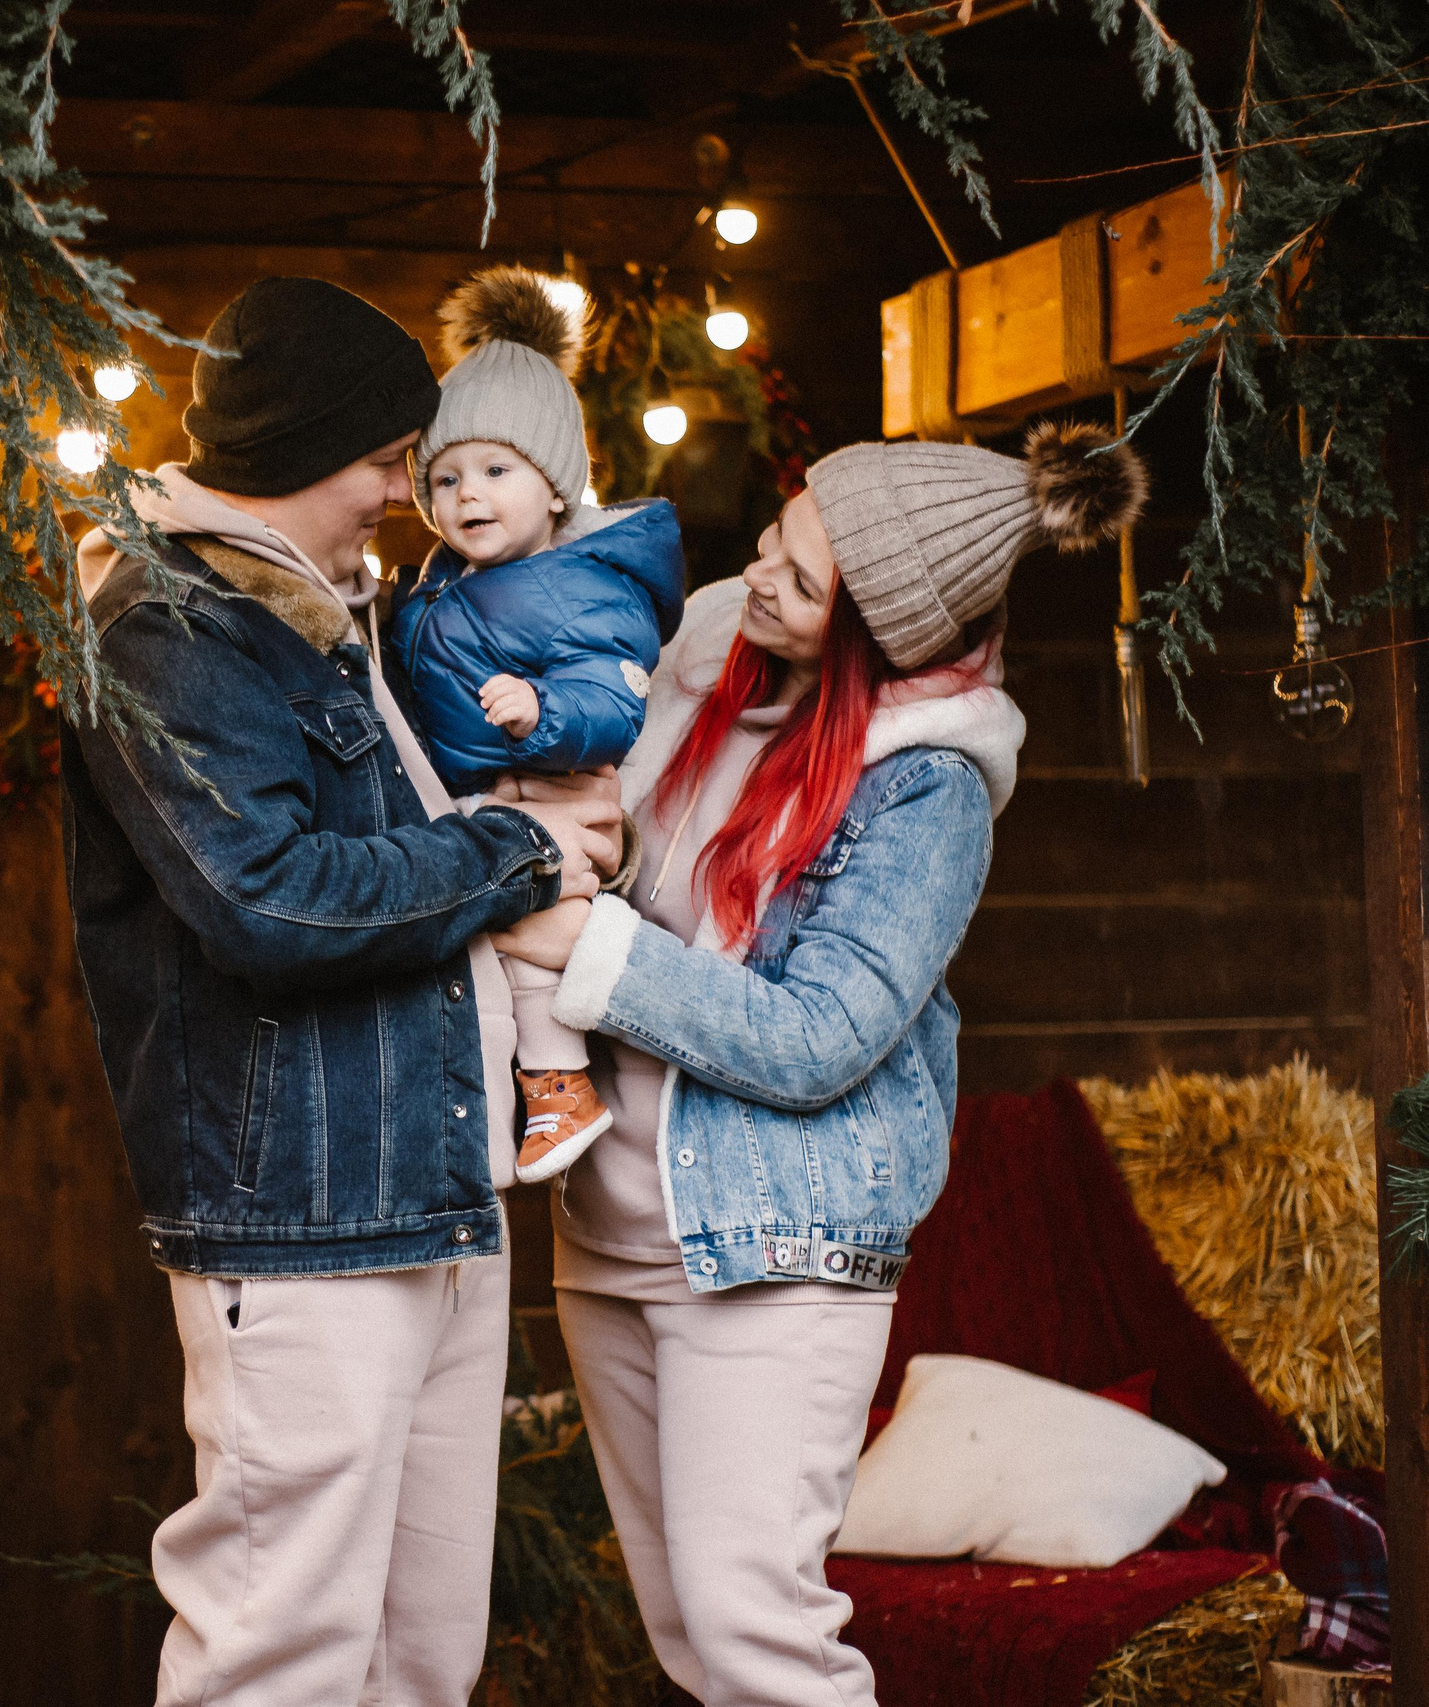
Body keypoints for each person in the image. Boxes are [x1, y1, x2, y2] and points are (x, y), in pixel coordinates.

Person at [492, 420, 1147, 1707]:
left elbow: (823, 1037)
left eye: (800, 578)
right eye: (776, 536)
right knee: (688, 1635)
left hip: (772, 1247)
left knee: (759, 1637)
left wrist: (589, 943)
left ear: (876, 638)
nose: (760, 575)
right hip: (613, 1236)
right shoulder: (711, 647)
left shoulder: (927, 790)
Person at [61, 275, 625, 1707]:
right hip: (304, 1212)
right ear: (310, 449)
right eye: (387, 455)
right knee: (280, 1644)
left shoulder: (330, 616)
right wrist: (520, 848)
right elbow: (271, 897)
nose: (403, 487)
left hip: (428, 1189)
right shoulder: (169, 625)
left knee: (419, 1649)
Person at [390, 266, 684, 1184]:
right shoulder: (448, 578)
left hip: (551, 788)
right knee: (492, 944)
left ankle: (561, 1085)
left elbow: (616, 697)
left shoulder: (584, 583)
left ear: (556, 485)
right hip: (489, 791)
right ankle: (527, 1091)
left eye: (495, 470)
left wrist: (543, 711)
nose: (466, 495)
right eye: (444, 477)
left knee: (536, 934)